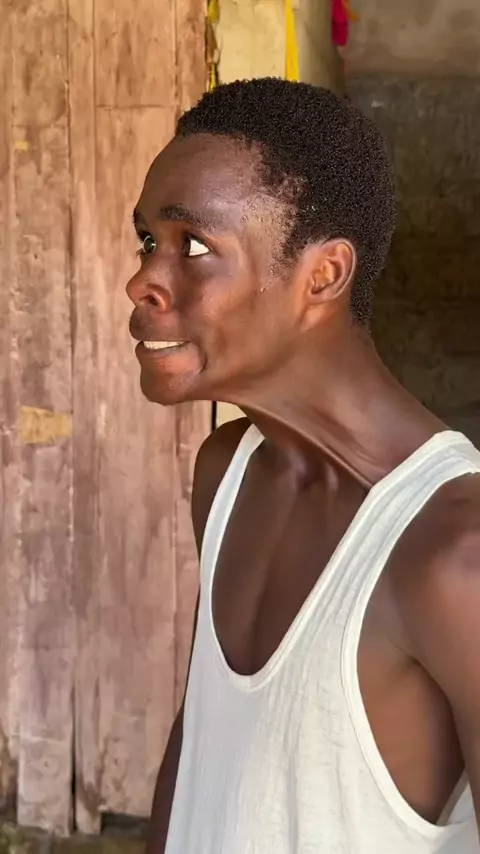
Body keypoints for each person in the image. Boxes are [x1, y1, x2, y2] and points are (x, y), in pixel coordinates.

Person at [126, 78, 480, 854]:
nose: (141, 281)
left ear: (322, 276)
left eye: (193, 246)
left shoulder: (454, 554)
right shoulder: (228, 474)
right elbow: (202, 744)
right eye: (149, 241)